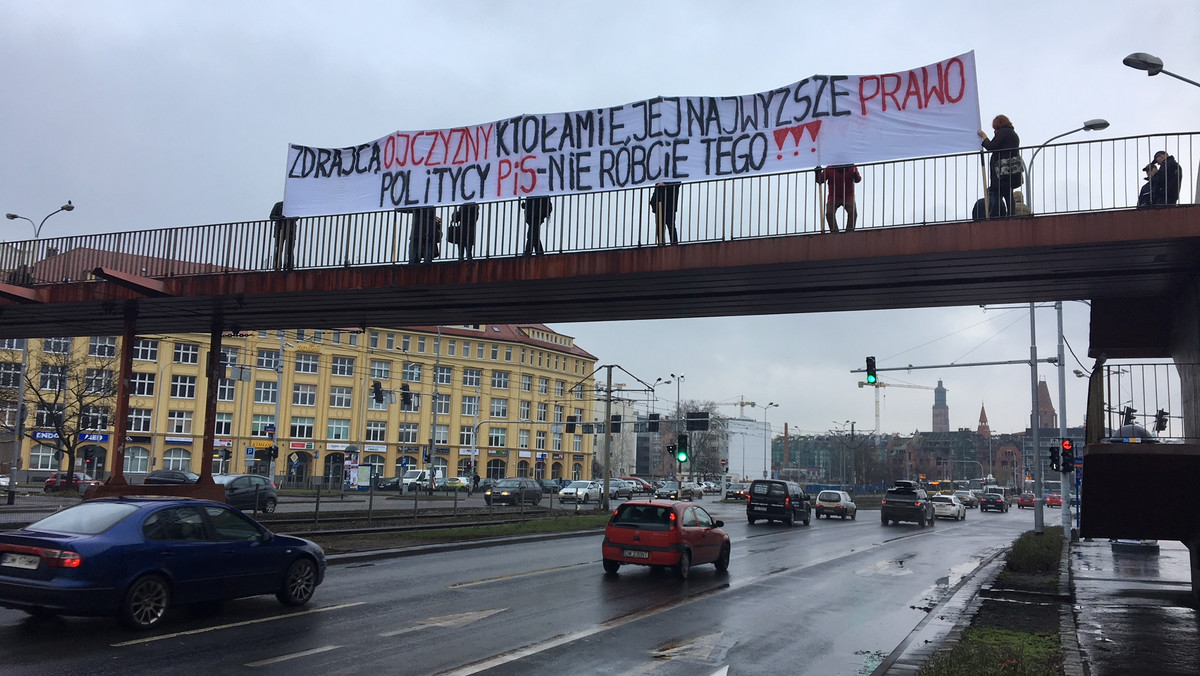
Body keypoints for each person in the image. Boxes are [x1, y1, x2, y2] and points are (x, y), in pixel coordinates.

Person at [978, 115, 1022, 218]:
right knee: (1008, 193)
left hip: (1001, 171)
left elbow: (991, 146)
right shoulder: (1013, 133)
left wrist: (984, 136)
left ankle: (995, 216)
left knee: (997, 193)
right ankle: (1011, 214)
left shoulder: (1003, 132)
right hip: (1010, 171)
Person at [815, 164, 862, 232]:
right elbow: (820, 180)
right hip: (833, 197)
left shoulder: (852, 168)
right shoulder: (829, 168)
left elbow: (858, 180)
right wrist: (817, 173)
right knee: (829, 214)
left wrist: (856, 176)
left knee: (853, 213)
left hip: (848, 196)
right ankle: (835, 232)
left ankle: (849, 232)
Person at [269, 201, 298, 270]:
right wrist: (279, 217)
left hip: (291, 231)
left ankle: (289, 266)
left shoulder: (293, 205)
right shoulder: (278, 205)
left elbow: (297, 217)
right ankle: (277, 266)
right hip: (279, 230)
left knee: (290, 250)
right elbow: (271, 216)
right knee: (278, 249)